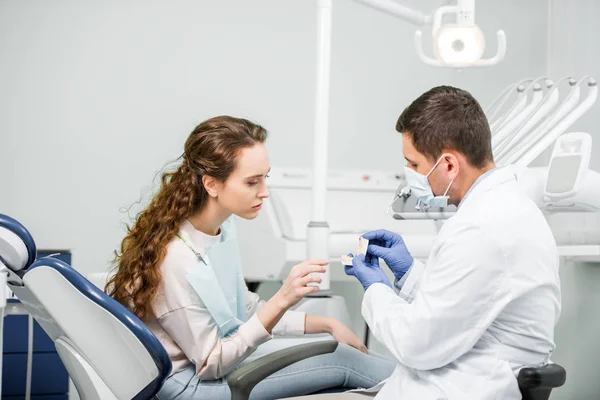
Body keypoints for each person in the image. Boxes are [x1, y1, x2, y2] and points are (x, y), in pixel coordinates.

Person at [105, 116, 395, 400]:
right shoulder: (176, 259)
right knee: (345, 361)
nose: (264, 192)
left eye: (264, 179)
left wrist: (328, 324)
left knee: (335, 346)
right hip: (189, 386)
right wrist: (283, 298)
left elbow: (243, 309)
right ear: (211, 184)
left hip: (210, 366)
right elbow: (211, 363)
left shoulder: (219, 230)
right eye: (252, 182)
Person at [344, 86, 561, 399]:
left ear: (448, 164)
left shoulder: (479, 227)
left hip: (463, 386)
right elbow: (466, 304)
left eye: (414, 165)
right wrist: (408, 273)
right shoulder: (507, 207)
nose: (409, 174)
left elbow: (416, 344)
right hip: (469, 373)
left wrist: (376, 288)